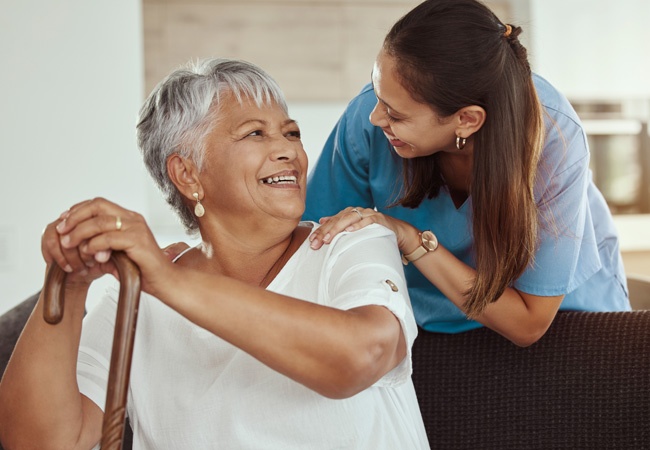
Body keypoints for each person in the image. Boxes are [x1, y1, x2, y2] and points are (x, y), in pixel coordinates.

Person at [0, 58, 429, 449]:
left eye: (291, 132)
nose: (289, 151)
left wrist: (169, 282)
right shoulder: (135, 298)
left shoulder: (352, 242)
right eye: (255, 133)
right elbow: (38, 443)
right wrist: (68, 285)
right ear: (187, 174)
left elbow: (361, 357)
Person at [305, 0, 630, 347]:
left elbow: (528, 323)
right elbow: (314, 250)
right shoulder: (368, 120)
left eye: (396, 115)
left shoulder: (555, 136)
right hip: (421, 324)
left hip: (562, 323)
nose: (374, 117)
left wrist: (410, 239)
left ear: (467, 119)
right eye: (377, 93)